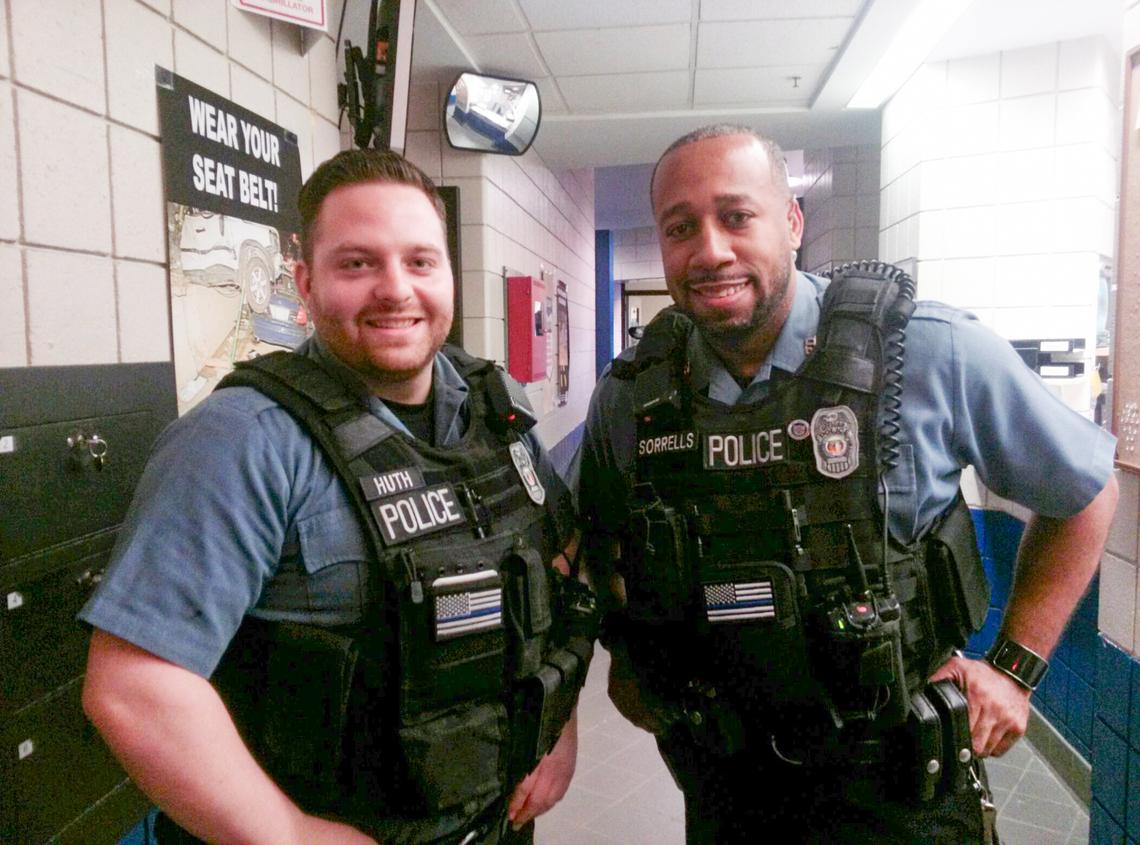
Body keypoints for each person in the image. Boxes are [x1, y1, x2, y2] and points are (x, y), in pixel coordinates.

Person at [576, 124, 1118, 844]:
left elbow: (1085, 489)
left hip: (902, 788)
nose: (711, 250)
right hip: (725, 788)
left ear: (792, 222)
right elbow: (597, 541)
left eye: (737, 216)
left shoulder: (927, 349)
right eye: (681, 227)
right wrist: (629, 657)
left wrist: (1014, 669)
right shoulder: (631, 397)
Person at [80, 149, 593, 845]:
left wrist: (558, 727)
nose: (395, 289)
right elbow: (135, 688)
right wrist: (290, 834)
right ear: (306, 282)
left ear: (446, 273)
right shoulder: (241, 441)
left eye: (419, 261)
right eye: (357, 264)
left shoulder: (496, 410)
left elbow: (560, 572)